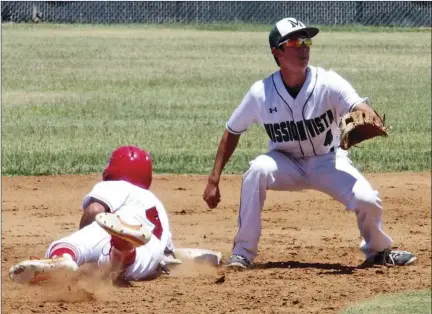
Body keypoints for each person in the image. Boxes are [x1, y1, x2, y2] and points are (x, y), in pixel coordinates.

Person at [203, 17, 416, 269]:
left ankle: (379, 252)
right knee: (258, 170)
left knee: (367, 199)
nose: (304, 47)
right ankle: (242, 252)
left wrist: (368, 115)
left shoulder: (328, 82)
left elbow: (359, 105)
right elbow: (232, 130)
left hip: (328, 160)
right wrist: (213, 179)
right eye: (295, 41)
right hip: (285, 162)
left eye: (307, 40)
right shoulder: (261, 93)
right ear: (277, 52)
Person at [10, 145, 221, 285]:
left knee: (72, 244)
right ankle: (123, 248)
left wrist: (85, 241)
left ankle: (63, 258)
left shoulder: (117, 185)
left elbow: (95, 211)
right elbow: (168, 256)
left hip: (116, 226)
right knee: (118, 262)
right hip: (148, 259)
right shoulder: (156, 204)